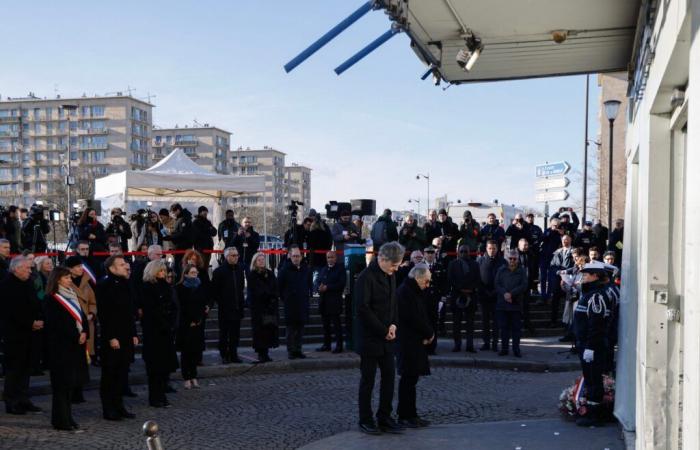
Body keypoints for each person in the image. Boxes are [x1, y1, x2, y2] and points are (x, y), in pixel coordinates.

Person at [354, 241, 405, 435]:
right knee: (368, 380)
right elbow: (363, 310)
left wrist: (393, 324)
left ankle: (384, 416)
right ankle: (365, 419)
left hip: (388, 336)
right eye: (394, 265)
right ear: (382, 259)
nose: (396, 268)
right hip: (370, 338)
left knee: (389, 377)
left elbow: (394, 302)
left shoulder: (390, 274)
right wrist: (384, 329)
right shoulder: (365, 278)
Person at [44, 266, 89, 431]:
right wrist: (74, 334)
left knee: (69, 385)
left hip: (75, 347)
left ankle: (68, 417)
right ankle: (60, 419)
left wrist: (84, 332)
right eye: (67, 278)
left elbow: (81, 317)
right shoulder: (51, 299)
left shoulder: (72, 296)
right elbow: (56, 325)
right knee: (61, 386)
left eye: (70, 277)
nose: (70, 280)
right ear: (57, 280)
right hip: (60, 349)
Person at [96, 255, 139, 421]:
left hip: (126, 334)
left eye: (125, 264)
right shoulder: (105, 285)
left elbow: (129, 312)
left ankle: (119, 406)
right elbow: (105, 314)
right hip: (113, 337)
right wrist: (111, 337)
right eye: (121, 264)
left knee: (122, 373)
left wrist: (134, 333)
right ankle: (109, 409)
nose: (126, 266)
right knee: (110, 374)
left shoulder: (126, 283)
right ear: (112, 268)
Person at [0, 256, 44, 415]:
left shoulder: (28, 282)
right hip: (15, 335)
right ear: (16, 269)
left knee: (26, 368)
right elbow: (10, 312)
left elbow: (36, 303)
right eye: (27, 268)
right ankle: (11, 401)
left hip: (30, 333)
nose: (30, 271)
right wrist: (30, 322)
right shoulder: (6, 285)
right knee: (14, 370)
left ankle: (24, 399)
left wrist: (39, 319)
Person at [573, 261, 614, 427]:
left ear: (595, 276)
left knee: (593, 379)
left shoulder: (596, 296)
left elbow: (596, 325)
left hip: (593, 345)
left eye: (587, 275)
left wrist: (590, 346)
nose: (583, 277)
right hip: (588, 343)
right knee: (591, 378)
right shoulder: (591, 293)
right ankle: (593, 412)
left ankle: (594, 414)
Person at [395, 264, 434, 428]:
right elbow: (413, 318)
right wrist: (429, 333)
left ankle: (410, 414)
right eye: (426, 281)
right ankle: (406, 415)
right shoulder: (406, 292)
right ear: (418, 279)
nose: (427, 285)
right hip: (408, 342)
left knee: (411, 379)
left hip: (412, 342)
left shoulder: (411, 291)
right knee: (408, 379)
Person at [141, 259, 179, 408]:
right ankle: (155, 397)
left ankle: (162, 395)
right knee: (155, 368)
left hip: (166, 331)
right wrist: (164, 322)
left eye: (164, 271)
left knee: (164, 367)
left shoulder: (167, 287)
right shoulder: (147, 287)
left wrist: (171, 323)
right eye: (160, 271)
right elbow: (151, 310)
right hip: (154, 332)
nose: (163, 273)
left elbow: (172, 306)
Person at [64, 256, 97, 400]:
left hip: (87, 323)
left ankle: (80, 389)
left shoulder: (86, 282)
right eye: (77, 267)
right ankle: (73, 389)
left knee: (84, 358)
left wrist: (91, 313)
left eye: (80, 266)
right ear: (70, 269)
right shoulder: (66, 283)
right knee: (74, 359)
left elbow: (93, 301)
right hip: (74, 324)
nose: (81, 269)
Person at [211, 247, 245, 364]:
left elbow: (240, 288)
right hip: (225, 309)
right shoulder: (219, 272)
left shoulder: (240, 269)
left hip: (237, 308)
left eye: (237, 255)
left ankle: (234, 354)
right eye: (233, 255)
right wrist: (222, 302)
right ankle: (224, 354)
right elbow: (214, 291)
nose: (236, 258)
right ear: (227, 257)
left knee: (235, 334)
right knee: (224, 333)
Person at [278, 245, 312, 359]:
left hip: (302, 303)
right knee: (291, 330)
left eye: (298, 256)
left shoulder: (305, 269)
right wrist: (286, 298)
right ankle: (291, 351)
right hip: (290, 304)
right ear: (290, 256)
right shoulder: (284, 270)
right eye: (294, 256)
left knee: (300, 329)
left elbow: (309, 284)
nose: (296, 258)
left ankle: (298, 349)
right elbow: (279, 287)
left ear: (301, 257)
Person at [176, 264, 207, 388]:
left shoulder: (200, 286)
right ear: (186, 274)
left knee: (195, 351)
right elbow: (182, 307)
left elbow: (203, 304)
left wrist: (199, 318)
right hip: (186, 324)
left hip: (198, 323)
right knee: (186, 352)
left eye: (196, 272)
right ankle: (186, 377)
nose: (195, 275)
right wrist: (191, 320)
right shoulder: (180, 288)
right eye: (193, 273)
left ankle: (194, 376)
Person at [247, 252, 280, 363]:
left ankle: (266, 353)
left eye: (263, 259)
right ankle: (261, 353)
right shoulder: (252, 275)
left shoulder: (270, 273)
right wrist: (268, 294)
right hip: (259, 308)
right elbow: (257, 290)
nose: (261, 261)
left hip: (269, 307)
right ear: (255, 262)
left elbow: (275, 287)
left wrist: (271, 297)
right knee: (260, 331)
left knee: (269, 330)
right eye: (259, 260)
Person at [495, 250, 528, 357]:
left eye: (514, 259)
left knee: (516, 329)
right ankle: (504, 348)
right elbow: (497, 283)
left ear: (518, 259)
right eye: (510, 258)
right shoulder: (501, 270)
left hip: (515, 303)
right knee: (503, 328)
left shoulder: (522, 270)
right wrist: (505, 293)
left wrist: (511, 294)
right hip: (503, 303)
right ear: (507, 259)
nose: (512, 261)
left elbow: (524, 285)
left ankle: (516, 349)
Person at [447, 245, 480, 353]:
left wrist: (470, 289)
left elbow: (477, 279)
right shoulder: (452, 264)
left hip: (471, 295)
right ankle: (457, 344)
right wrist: (461, 289)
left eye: (465, 251)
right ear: (458, 252)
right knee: (457, 322)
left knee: (470, 323)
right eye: (461, 251)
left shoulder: (475, 264)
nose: (463, 253)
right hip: (457, 295)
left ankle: (469, 345)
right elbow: (450, 279)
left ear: (469, 252)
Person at [476, 240, 505, 351]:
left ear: (497, 249)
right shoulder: (480, 261)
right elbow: (477, 278)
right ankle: (486, 342)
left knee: (496, 321)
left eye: (494, 248)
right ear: (486, 249)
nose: (492, 251)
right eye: (490, 248)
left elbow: (504, 279)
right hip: (483, 296)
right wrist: (483, 290)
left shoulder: (502, 262)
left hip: (497, 295)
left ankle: (495, 343)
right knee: (485, 321)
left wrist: (496, 291)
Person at [316, 251, 346, 353]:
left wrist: (327, 287)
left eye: (332, 257)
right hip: (324, 301)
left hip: (334, 301)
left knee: (336, 325)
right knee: (325, 326)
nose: (330, 259)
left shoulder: (340, 269)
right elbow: (318, 281)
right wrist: (318, 288)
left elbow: (341, 283)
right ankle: (326, 345)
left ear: (336, 258)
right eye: (328, 257)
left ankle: (339, 346)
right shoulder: (323, 269)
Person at [423, 246, 445, 353]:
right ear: (424, 254)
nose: (430, 254)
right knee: (423, 324)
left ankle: (432, 347)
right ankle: (424, 347)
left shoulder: (439, 267)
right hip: (423, 301)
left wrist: (442, 300)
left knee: (433, 324)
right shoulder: (420, 267)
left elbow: (443, 284)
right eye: (428, 252)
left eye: (432, 252)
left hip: (435, 300)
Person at [549, 234, 575, 326]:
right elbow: (552, 265)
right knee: (555, 300)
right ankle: (553, 321)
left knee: (569, 301)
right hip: (557, 280)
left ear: (570, 240)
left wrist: (565, 273)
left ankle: (568, 323)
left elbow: (576, 266)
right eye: (563, 240)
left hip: (570, 280)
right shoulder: (557, 252)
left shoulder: (574, 252)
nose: (565, 241)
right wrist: (558, 273)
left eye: (567, 239)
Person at [163, 203, 193, 272]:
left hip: (182, 247)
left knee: (180, 266)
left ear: (178, 210)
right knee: (178, 265)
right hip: (179, 246)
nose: (173, 214)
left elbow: (183, 233)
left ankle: (180, 280)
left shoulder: (184, 219)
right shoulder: (180, 219)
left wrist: (171, 237)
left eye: (174, 212)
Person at [516, 238, 538, 335]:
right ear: (519, 245)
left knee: (526, 305)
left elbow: (534, 268)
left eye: (527, 245)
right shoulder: (514, 255)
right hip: (517, 284)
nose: (526, 247)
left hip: (528, 283)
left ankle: (526, 323)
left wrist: (534, 282)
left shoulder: (531, 254)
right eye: (524, 245)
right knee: (518, 305)